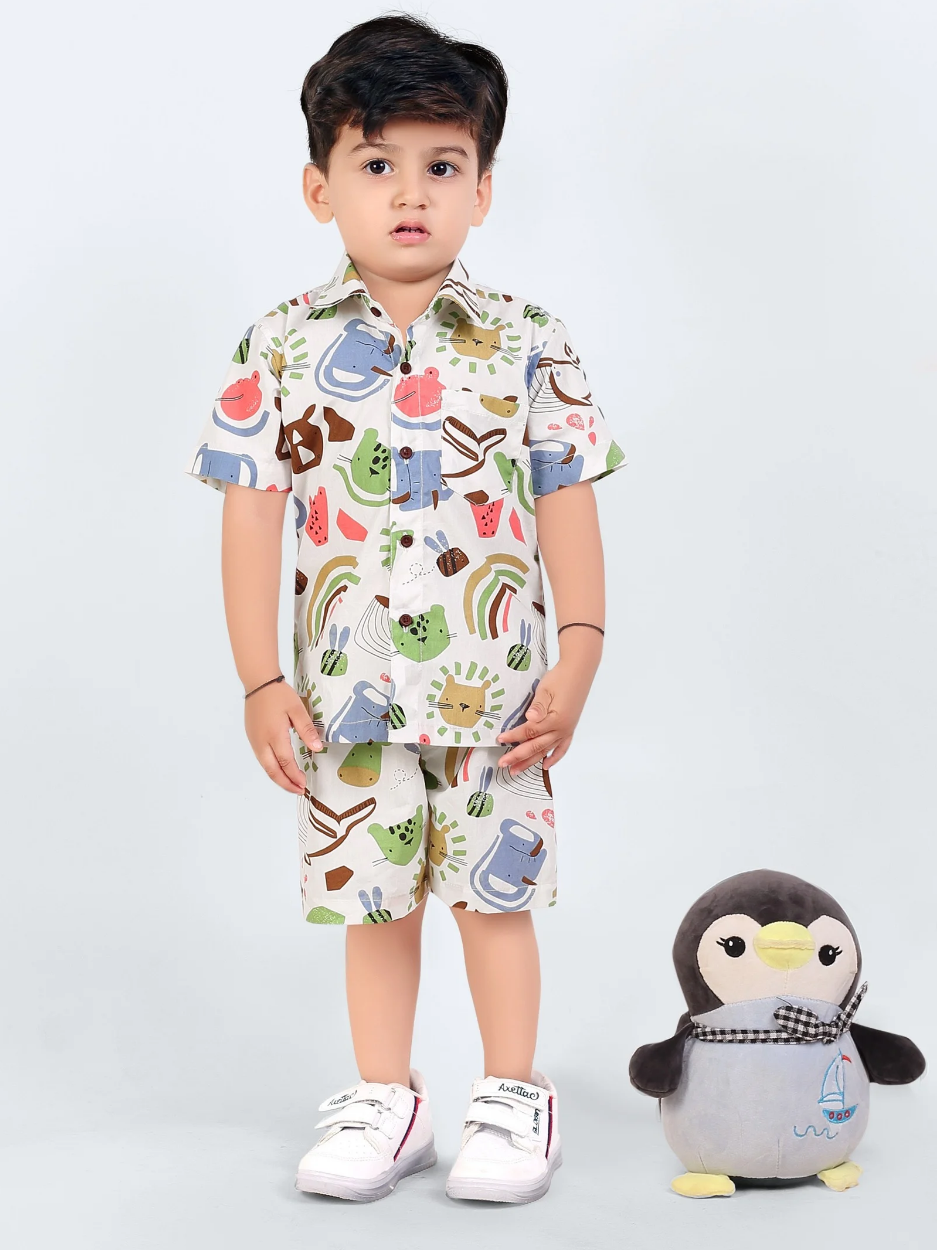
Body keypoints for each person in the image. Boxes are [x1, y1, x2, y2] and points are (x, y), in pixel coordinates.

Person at [183, 11, 626, 1206]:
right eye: (376, 163)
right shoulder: (279, 347)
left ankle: (512, 1090)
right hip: (347, 699)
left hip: (500, 699)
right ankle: (387, 1095)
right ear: (319, 187)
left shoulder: (529, 342)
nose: (410, 192)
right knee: (370, 902)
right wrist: (260, 679)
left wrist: (578, 656)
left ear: (482, 188)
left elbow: (566, 501)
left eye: (441, 165)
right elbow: (251, 516)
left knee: (494, 896)